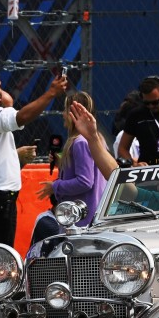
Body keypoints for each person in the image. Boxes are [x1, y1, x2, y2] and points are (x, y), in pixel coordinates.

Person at [0, 69, 67, 247]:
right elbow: (21, 117)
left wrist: (13, 153)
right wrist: (51, 93)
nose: (0, 92)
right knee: (2, 253)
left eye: (1, 86)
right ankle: (0, 276)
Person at [35, 91, 107, 227]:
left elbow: (85, 181)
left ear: (74, 114)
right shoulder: (95, 139)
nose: (63, 114)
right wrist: (61, 162)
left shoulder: (81, 142)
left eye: (65, 110)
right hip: (90, 217)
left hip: (82, 221)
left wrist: (55, 186)